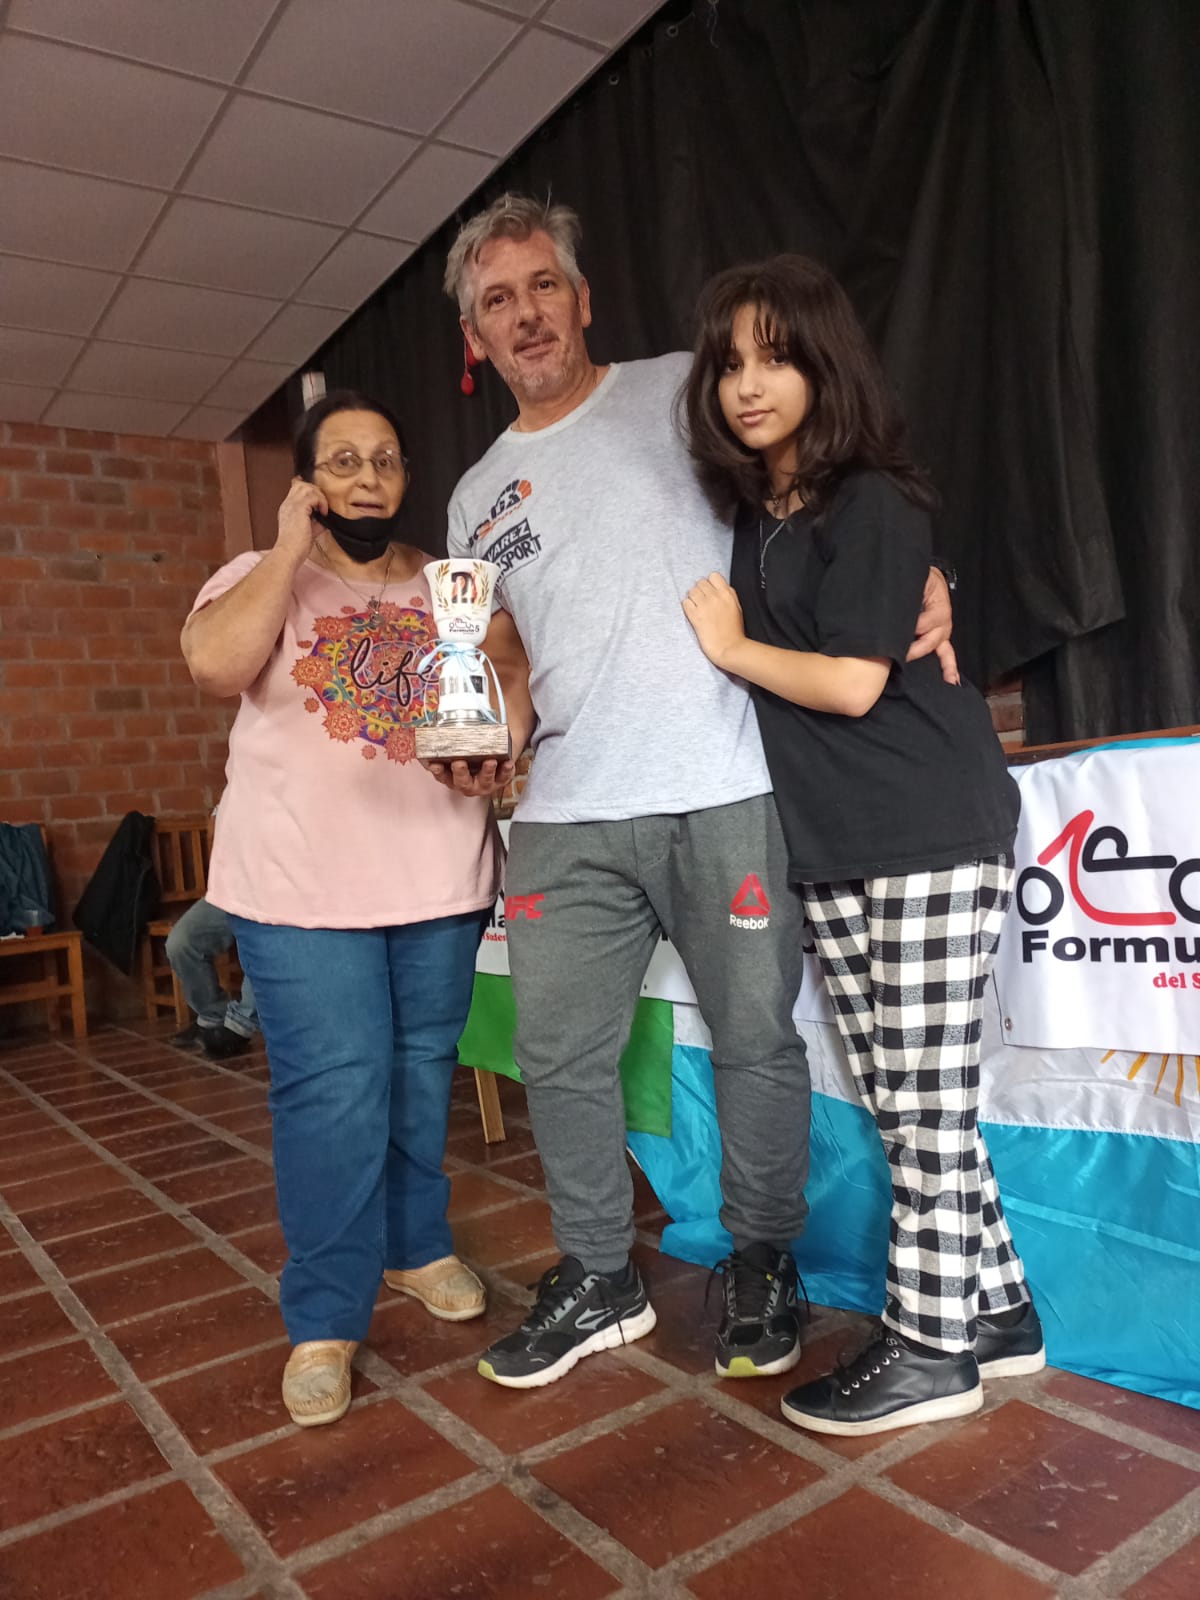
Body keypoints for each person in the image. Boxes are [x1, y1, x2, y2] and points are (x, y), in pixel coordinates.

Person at [431, 193, 955, 1391]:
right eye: (498, 300)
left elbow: (831, 485)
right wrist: (478, 735)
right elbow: (501, 657)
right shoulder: (474, 496)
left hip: (725, 783)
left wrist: (923, 577)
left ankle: (763, 1260)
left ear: (583, 298)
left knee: (755, 1039)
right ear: (475, 335)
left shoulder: (685, 389)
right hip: (564, 812)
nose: (526, 313)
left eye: (543, 285)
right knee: (558, 1052)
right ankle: (598, 1275)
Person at [681, 254, 1045, 1438]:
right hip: (836, 842)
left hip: (928, 823)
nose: (748, 383)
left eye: (776, 357)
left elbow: (850, 682)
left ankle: (931, 1350)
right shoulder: (756, 517)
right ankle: (999, 1312)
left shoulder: (876, 499)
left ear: (824, 364)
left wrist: (733, 649)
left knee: (927, 1105)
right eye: (729, 362)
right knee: (901, 1101)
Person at [181, 391, 514, 1429]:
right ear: (310, 481)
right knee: (334, 1094)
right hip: (299, 888)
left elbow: (504, 680)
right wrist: (288, 549)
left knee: (418, 1076)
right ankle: (325, 1313)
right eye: (343, 460)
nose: (367, 477)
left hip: (438, 878)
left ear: (407, 475)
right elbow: (215, 664)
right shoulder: (258, 573)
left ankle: (415, 1247)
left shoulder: (451, 584)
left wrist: (499, 743)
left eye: (385, 458)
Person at [167, 894, 259, 1059]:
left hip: (277, 893)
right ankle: (213, 1017)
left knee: (264, 939)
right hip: (232, 890)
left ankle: (240, 1026)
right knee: (180, 942)